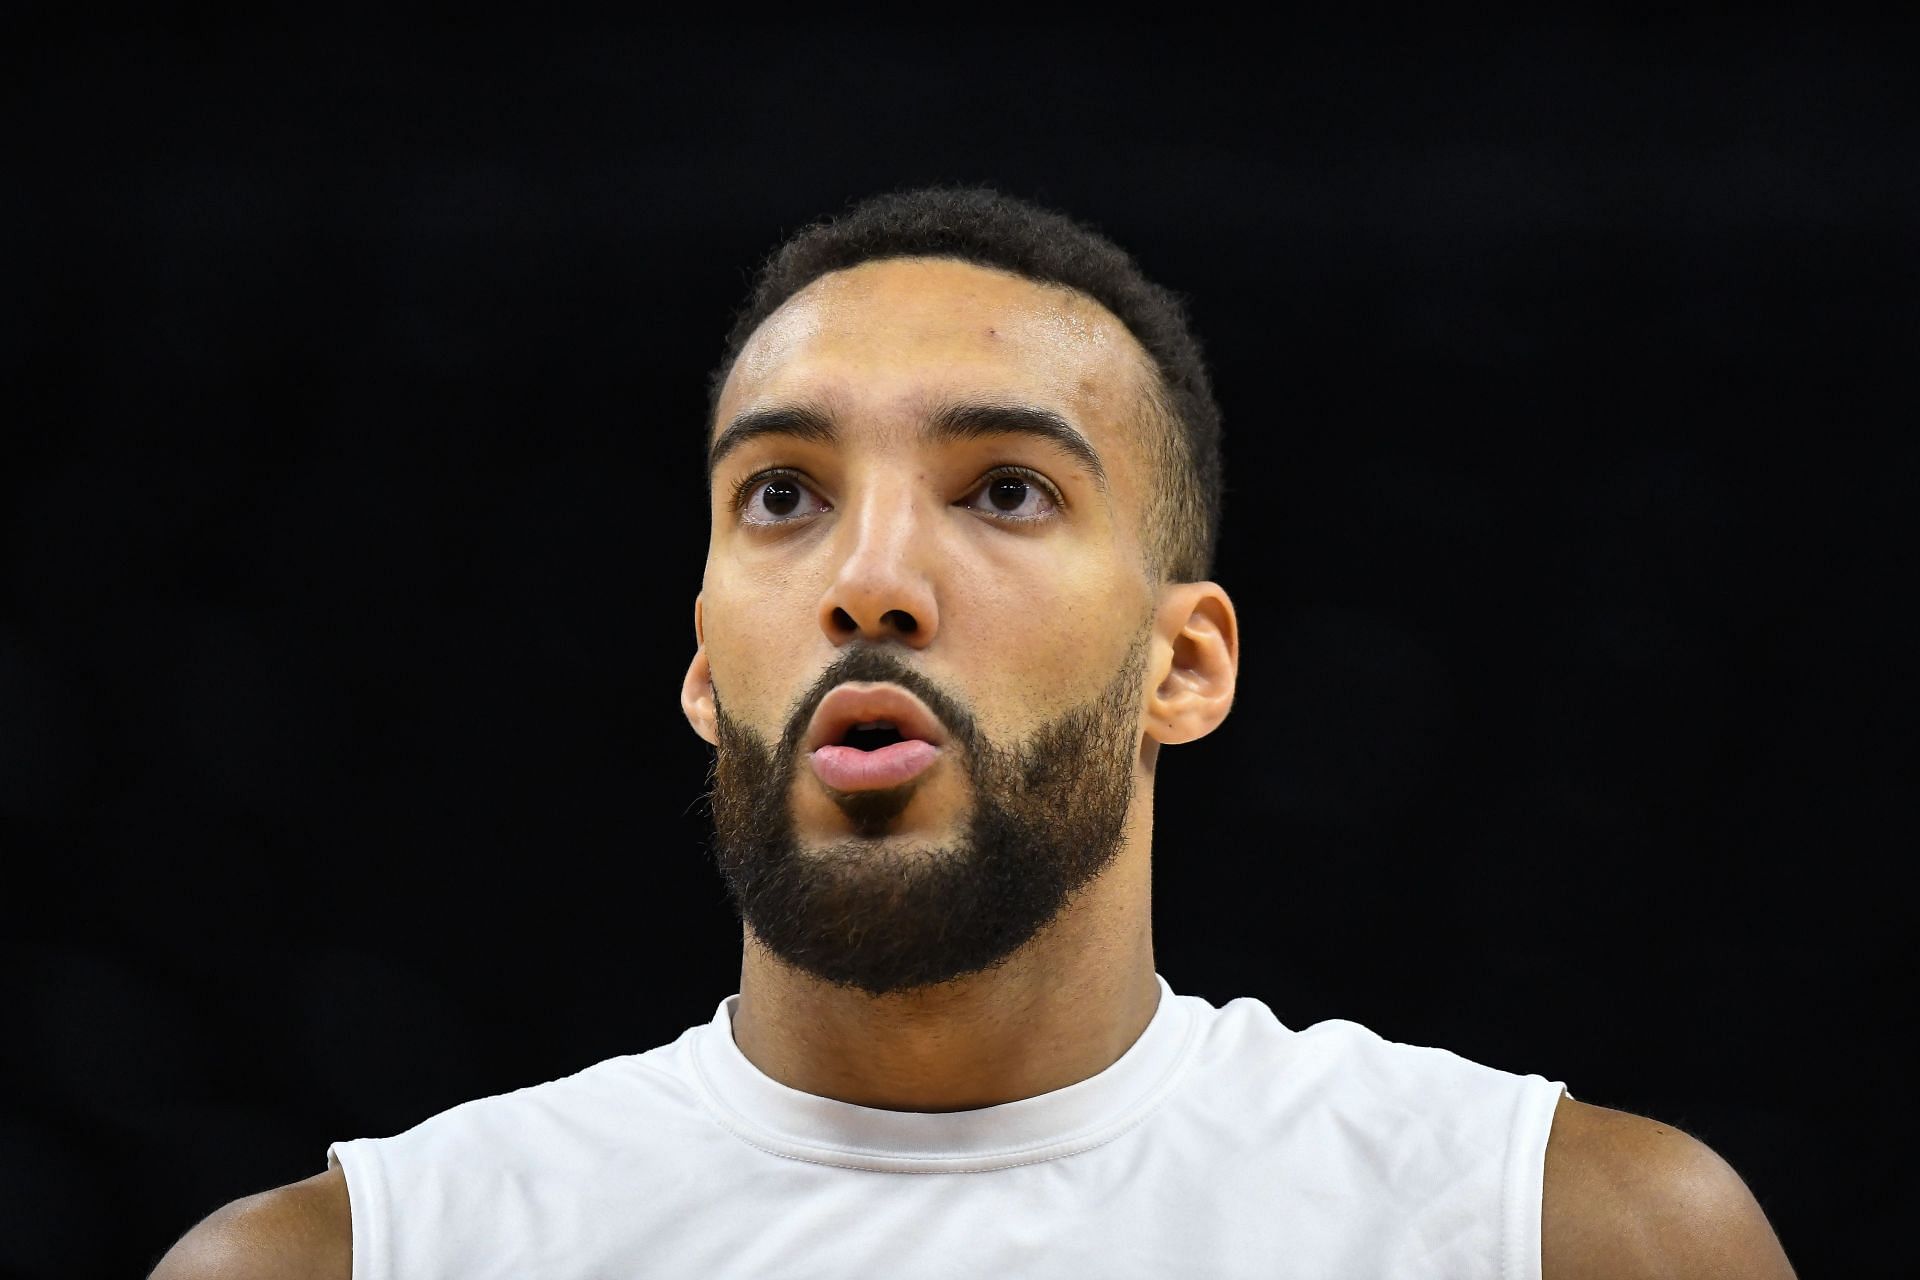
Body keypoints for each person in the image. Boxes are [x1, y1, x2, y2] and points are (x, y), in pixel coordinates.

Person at [152, 187, 1796, 1279]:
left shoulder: (1566, 1235)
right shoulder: (353, 1260)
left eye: (1005, 489)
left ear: (1188, 665)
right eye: (782, 496)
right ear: (708, 669)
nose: (870, 581)